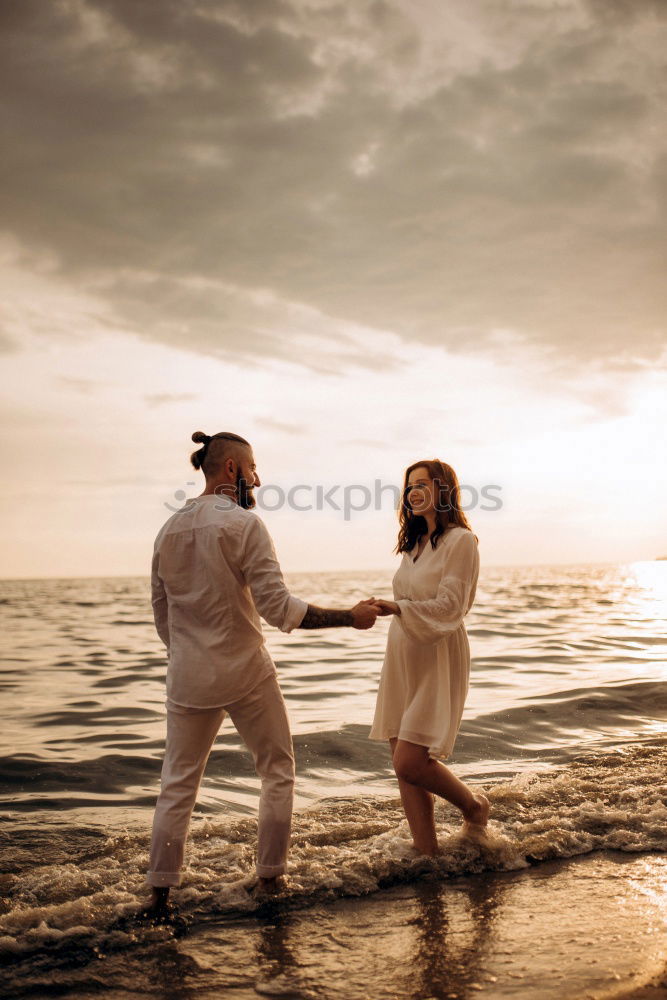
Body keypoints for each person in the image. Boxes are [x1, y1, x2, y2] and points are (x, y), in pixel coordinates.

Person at [144, 430, 378, 919]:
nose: (257, 478)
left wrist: (190, 654)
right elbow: (279, 609)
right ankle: (270, 880)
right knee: (276, 771)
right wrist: (350, 617)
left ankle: (160, 895)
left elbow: (162, 615)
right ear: (231, 470)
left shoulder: (168, 530)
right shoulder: (245, 524)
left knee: (177, 784)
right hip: (246, 670)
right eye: (252, 468)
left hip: (187, 675)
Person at [369, 458, 489, 856]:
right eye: (409, 486)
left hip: (437, 653)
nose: (413, 492)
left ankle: (474, 806)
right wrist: (390, 609)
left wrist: (399, 608)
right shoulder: (414, 544)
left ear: (444, 490)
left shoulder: (461, 541)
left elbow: (452, 605)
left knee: (410, 761)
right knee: (401, 760)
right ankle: (427, 853)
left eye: (422, 484)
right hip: (402, 655)